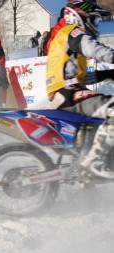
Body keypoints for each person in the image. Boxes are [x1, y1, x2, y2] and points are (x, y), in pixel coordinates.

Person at [46, 0, 114, 178]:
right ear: (81, 16)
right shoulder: (73, 32)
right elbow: (97, 50)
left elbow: (82, 75)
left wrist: (108, 74)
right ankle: (94, 161)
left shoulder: (67, 36)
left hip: (68, 90)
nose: (95, 23)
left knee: (94, 131)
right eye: (94, 19)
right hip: (68, 92)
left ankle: (88, 183)